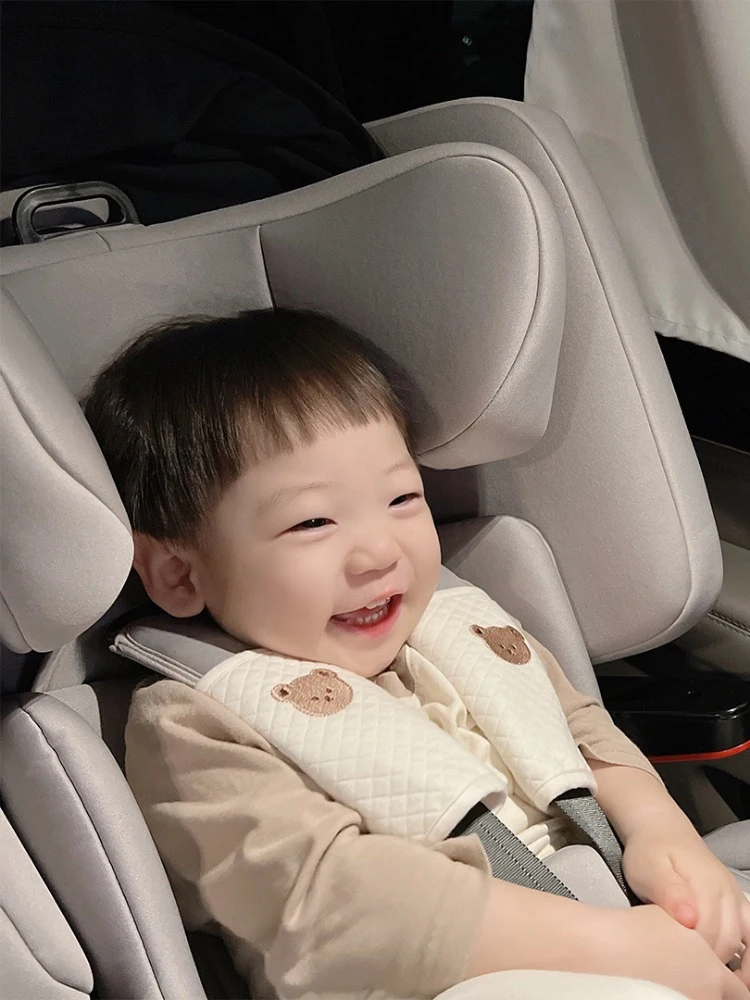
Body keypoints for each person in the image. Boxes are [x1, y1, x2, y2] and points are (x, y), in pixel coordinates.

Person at [84, 308, 750, 1000]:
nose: (380, 552)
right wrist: (610, 948)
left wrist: (662, 832)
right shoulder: (193, 724)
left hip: (619, 913)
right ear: (179, 574)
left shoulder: (457, 624)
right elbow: (328, 906)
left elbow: (580, 728)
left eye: (403, 497)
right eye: (312, 521)